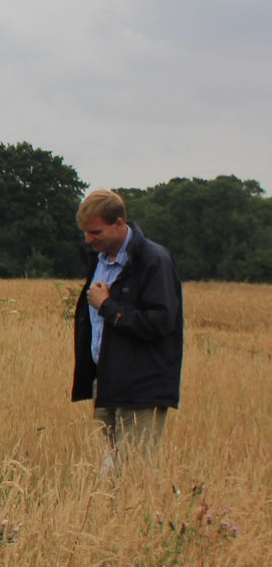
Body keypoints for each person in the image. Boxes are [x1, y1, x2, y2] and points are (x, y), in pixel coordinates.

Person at [72, 189, 184, 470]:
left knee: (135, 471)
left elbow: (161, 322)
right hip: (107, 381)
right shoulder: (100, 260)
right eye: (85, 232)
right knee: (111, 471)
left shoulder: (153, 261)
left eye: (95, 232)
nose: (88, 240)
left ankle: (151, 515)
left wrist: (108, 306)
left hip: (141, 384)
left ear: (119, 224)